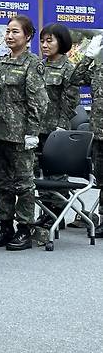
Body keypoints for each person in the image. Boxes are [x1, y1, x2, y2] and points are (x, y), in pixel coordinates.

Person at [0, 16, 48, 251]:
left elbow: (39, 102)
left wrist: (33, 131)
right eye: (8, 32)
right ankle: (5, 226)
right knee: (2, 183)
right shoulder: (0, 62)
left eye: (15, 32)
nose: (9, 36)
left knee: (23, 184)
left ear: (27, 37)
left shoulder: (33, 64)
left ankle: (25, 228)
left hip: (20, 135)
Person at [33, 23, 79, 231]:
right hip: (36, 128)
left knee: (56, 174)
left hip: (56, 131)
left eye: (49, 40)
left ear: (61, 42)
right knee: (38, 172)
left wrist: (61, 127)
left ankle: (57, 214)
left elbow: (71, 101)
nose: (44, 44)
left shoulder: (68, 68)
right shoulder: (39, 66)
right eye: (42, 40)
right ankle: (46, 212)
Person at [69, 34, 103, 237]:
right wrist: (89, 57)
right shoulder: (98, 70)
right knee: (102, 180)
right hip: (99, 133)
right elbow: (76, 78)